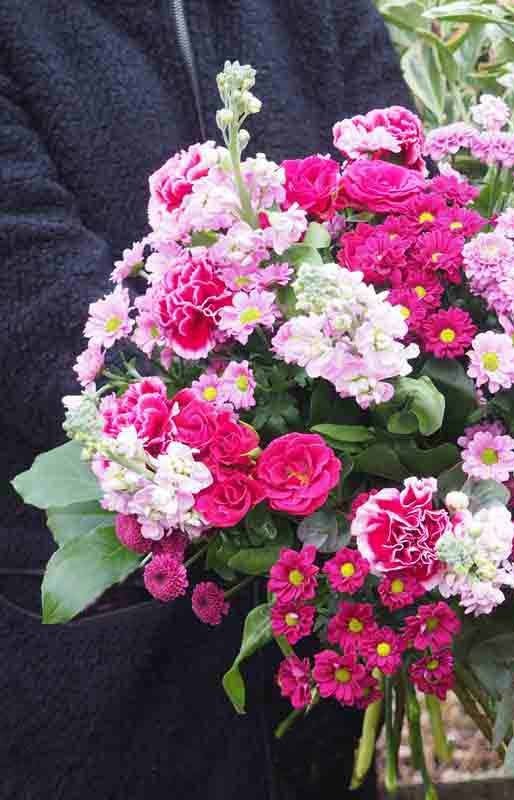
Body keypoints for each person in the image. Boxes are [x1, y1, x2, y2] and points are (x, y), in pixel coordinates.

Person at [0, 2, 411, 798]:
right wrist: (250, 430)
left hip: (315, 599)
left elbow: (396, 190)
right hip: (93, 616)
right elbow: (26, 277)